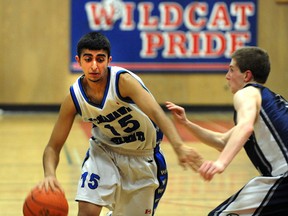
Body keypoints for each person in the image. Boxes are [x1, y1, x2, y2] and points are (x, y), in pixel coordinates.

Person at [39, 31, 203, 216]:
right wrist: (50, 175)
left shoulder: (123, 82)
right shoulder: (74, 97)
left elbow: (157, 113)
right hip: (104, 152)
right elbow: (52, 147)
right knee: (87, 210)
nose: (94, 65)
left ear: (109, 60)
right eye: (88, 59)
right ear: (79, 60)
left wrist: (179, 146)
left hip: (143, 157)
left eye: (100, 59)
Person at [166, 46, 288, 215]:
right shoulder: (268, 103)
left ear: (247, 75)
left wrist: (220, 163)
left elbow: (245, 127)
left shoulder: (247, 93)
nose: (227, 76)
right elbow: (222, 142)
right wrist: (187, 123)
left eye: (231, 70)